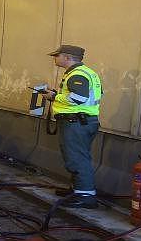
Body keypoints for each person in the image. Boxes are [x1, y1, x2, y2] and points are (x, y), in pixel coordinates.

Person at [41, 44, 102, 209]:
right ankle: (78, 190)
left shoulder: (77, 74)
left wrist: (54, 97)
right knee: (79, 156)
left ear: (67, 57)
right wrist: (58, 95)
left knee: (77, 158)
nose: (55, 58)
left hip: (76, 123)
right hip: (82, 122)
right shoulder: (87, 72)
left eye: (57, 56)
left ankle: (85, 196)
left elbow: (78, 99)